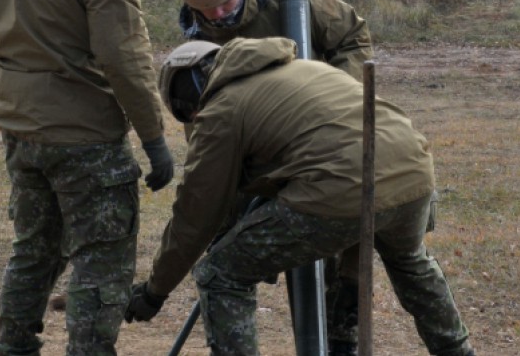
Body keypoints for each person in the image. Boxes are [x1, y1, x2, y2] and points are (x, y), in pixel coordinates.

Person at [124, 37, 475, 356]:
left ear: (189, 102)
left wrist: (155, 291)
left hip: (339, 188)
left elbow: (195, 215)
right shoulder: (303, 69)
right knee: (411, 265)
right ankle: (457, 351)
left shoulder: (221, 111)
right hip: (413, 172)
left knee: (221, 274)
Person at [0, 0, 173, 354]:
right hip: (86, 135)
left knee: (33, 252)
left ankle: (14, 348)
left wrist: (25, 91)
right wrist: (153, 137)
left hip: (19, 128)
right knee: (102, 261)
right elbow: (122, 50)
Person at [167, 0, 375, 355]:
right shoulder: (199, 49)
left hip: (325, 143)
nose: (219, 15)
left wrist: (335, 97)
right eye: (207, 10)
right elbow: (206, 136)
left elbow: (352, 36)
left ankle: (341, 338)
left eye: (226, 3)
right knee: (234, 258)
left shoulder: (289, 0)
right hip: (262, 157)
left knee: (341, 245)